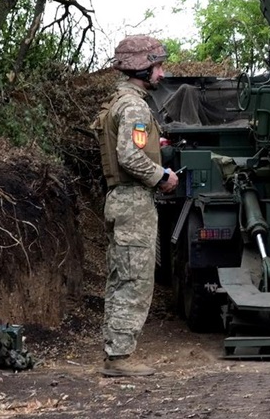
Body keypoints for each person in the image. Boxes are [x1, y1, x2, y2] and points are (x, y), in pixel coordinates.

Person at [96, 34, 179, 378]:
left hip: (121, 200)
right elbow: (129, 155)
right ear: (142, 68)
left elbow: (129, 147)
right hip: (133, 200)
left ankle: (115, 352)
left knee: (121, 277)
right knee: (135, 279)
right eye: (157, 66)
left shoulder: (120, 101)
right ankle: (119, 358)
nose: (161, 74)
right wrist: (162, 176)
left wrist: (154, 148)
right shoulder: (134, 106)